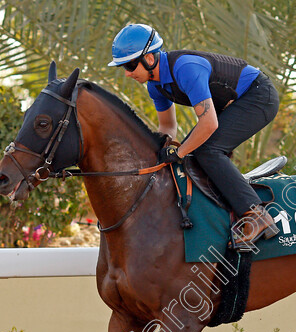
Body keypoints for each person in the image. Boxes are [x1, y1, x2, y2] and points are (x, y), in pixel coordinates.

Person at [108, 23, 280, 251]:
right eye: (123, 67)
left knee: (206, 150)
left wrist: (179, 151)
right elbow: (167, 127)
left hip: (258, 96)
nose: (128, 73)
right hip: (234, 102)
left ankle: (256, 215)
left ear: (149, 58)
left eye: (130, 65)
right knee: (191, 154)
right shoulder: (155, 87)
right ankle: (217, 218)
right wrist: (160, 152)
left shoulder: (185, 68)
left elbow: (209, 124)